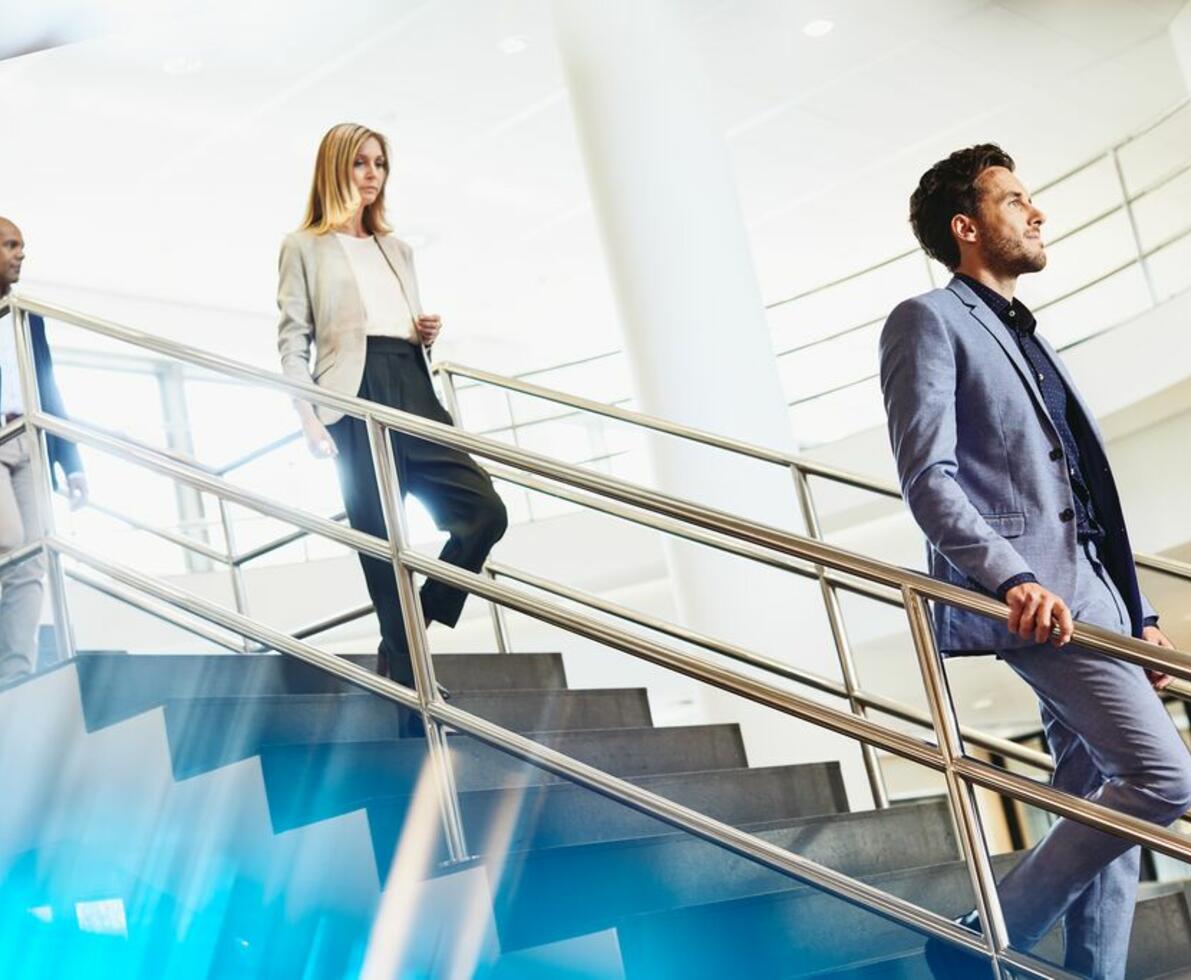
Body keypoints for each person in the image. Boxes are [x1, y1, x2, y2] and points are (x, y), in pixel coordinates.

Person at [878, 145, 1191, 980]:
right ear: (966, 226)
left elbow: (1084, 493)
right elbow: (926, 479)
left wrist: (1139, 615)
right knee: (1163, 782)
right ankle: (981, 933)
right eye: (1014, 200)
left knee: (1105, 804)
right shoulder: (929, 320)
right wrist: (1010, 577)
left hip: (1097, 597)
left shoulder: (1030, 337)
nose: (1036, 211)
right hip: (1037, 599)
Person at [276, 123, 507, 691]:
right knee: (382, 543)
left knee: (485, 512)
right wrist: (308, 418)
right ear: (335, 168)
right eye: (360, 163)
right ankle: (411, 682)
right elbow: (292, 339)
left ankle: (404, 633)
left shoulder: (396, 248)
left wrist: (421, 332)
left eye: (379, 164)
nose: (372, 174)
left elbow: (390, 320)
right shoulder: (303, 245)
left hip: (411, 386)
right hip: (350, 397)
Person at [0, 217, 87, 683]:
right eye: (11, 245)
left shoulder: (26, 315)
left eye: (23, 245)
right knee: (8, 544)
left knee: (31, 559)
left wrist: (70, 462)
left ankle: (14, 678)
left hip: (27, 441)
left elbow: (49, 386)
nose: (21, 254)